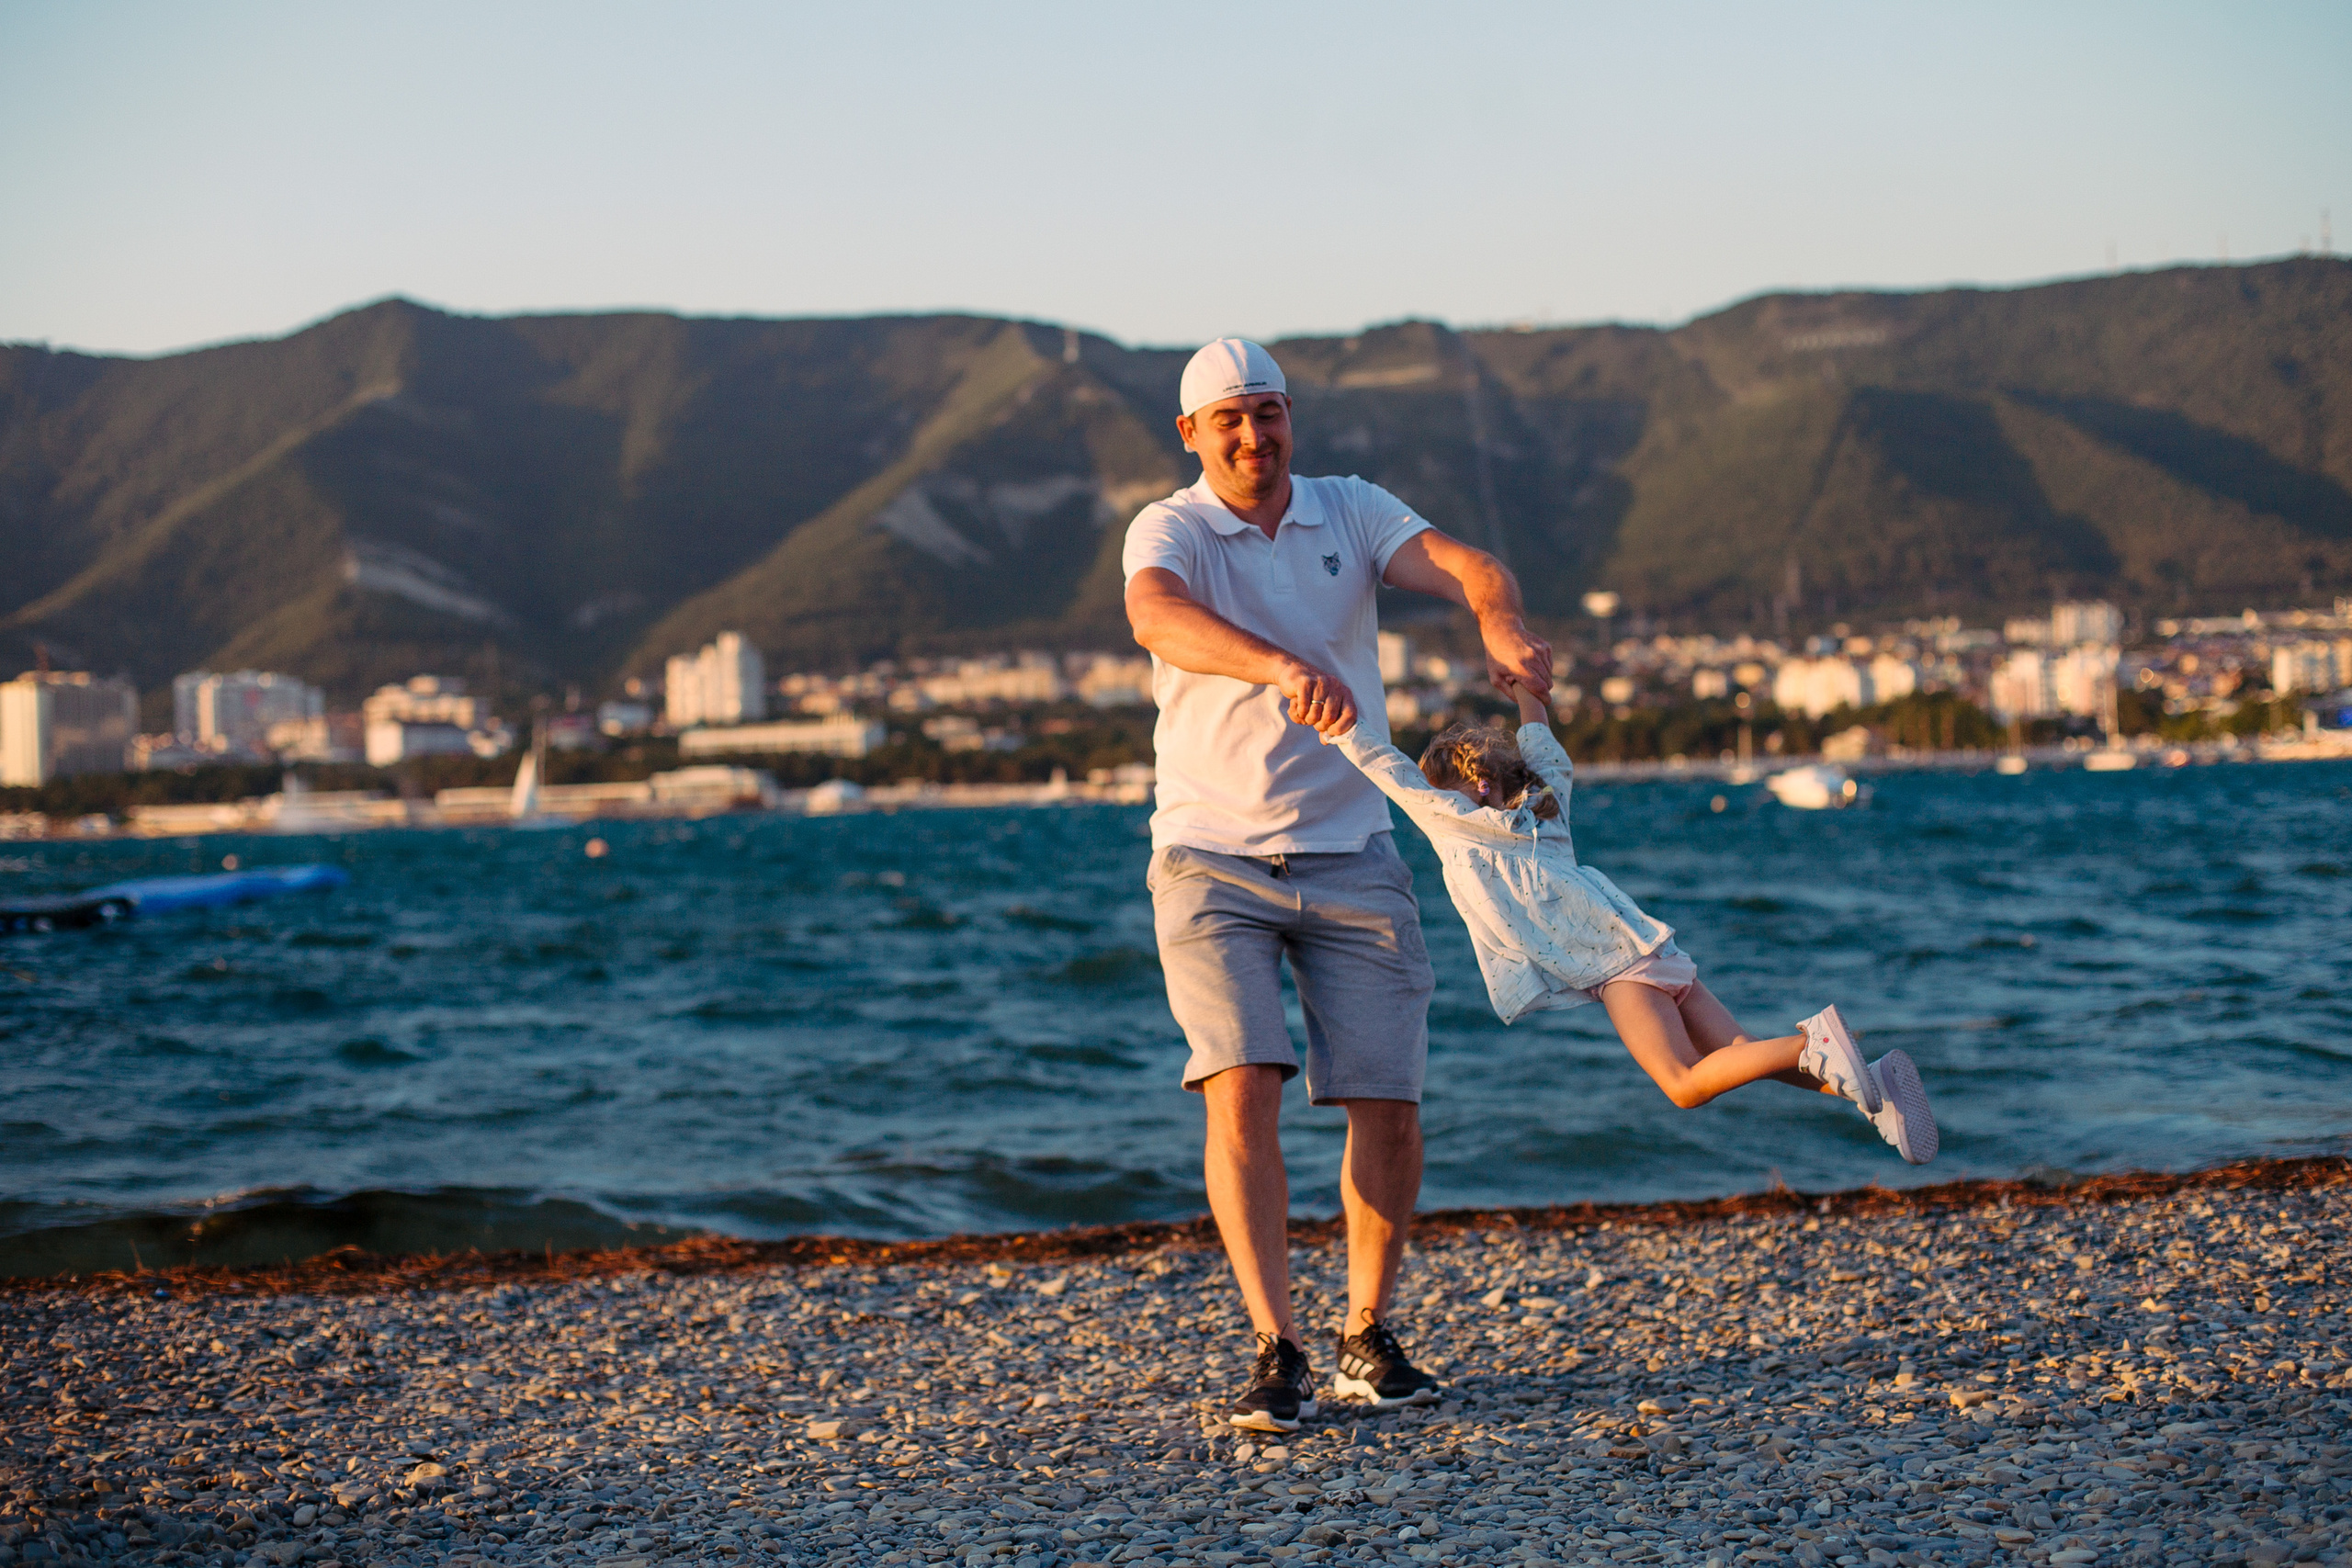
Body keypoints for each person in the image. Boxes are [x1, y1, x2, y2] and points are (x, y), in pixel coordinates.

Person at [1123, 337, 1553, 1434]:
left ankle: (1367, 1334)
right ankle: (1276, 1347)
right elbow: (1155, 616)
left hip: (1356, 845)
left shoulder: (1349, 510)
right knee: (1242, 1080)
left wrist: (1498, 624)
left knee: (1389, 1101)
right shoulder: (1167, 526)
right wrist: (1274, 664)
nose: (1251, 434)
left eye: (1266, 412)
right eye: (1227, 418)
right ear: (1192, 434)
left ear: (1288, 417)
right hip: (1211, 854)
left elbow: (1468, 564)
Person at [1328, 677, 1939, 1162]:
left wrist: (1338, 726)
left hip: (1618, 966)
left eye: (1443, 792)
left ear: (1478, 787)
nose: (1431, 806)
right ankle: (1875, 1086)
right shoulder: (1548, 805)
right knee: (1748, 1054)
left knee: (1682, 1082)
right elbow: (1539, 741)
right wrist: (1522, 688)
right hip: (1652, 949)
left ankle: (1820, 1042)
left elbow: (1392, 772)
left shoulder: (1464, 827)